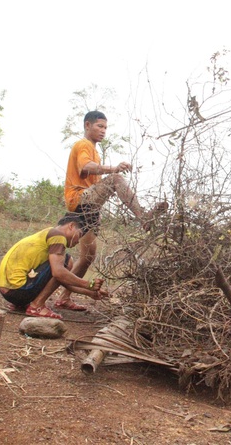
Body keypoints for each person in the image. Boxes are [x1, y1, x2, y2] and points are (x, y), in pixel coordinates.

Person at [57, 110, 166, 310]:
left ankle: (64, 297)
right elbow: (86, 166)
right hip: (80, 198)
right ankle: (143, 217)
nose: (103, 131)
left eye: (106, 127)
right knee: (116, 179)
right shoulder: (83, 145)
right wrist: (112, 169)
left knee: (88, 255)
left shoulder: (95, 149)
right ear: (87, 125)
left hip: (89, 206)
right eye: (99, 126)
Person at [0, 212, 107, 319]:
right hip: (19, 290)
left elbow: (60, 279)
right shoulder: (58, 236)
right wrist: (88, 284)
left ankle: (23, 304)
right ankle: (37, 306)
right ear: (71, 226)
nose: (78, 241)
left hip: (9, 293)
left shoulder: (47, 233)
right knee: (66, 261)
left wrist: (88, 292)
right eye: (80, 235)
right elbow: (58, 273)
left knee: (61, 265)